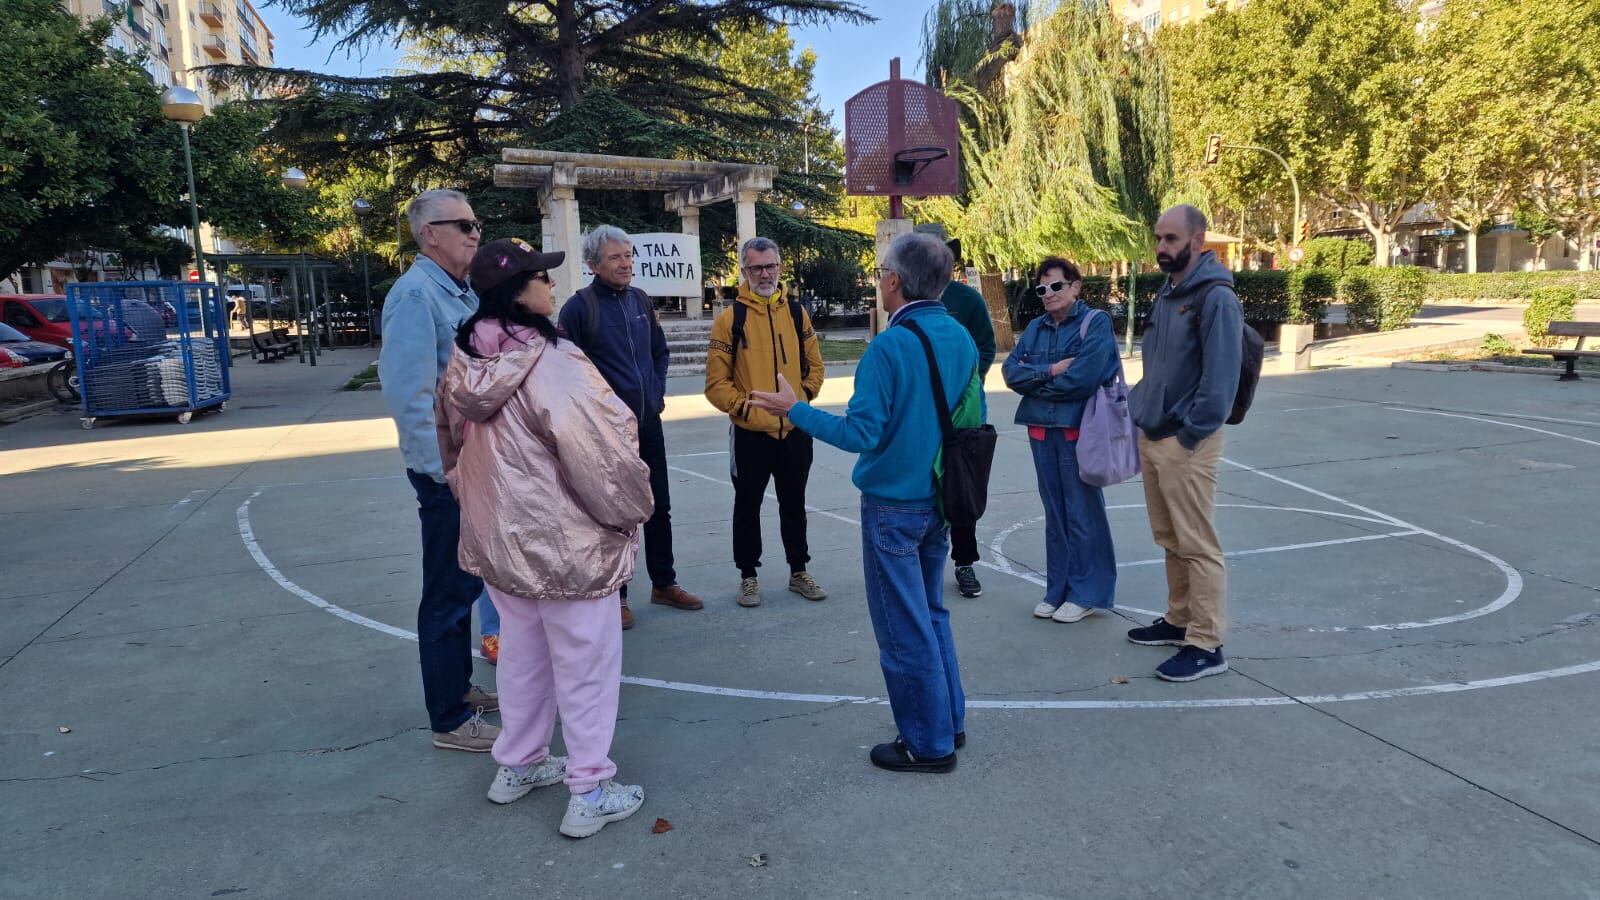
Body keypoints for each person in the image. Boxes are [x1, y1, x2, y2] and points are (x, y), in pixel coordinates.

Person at [437, 238, 653, 839]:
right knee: (587, 664)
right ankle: (590, 789)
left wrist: (474, 501)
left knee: (523, 655)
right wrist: (629, 513)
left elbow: (449, 443)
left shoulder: (464, 357)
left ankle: (519, 762)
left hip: (500, 536)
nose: (552, 286)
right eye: (541, 277)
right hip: (567, 541)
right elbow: (601, 451)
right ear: (517, 291)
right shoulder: (553, 360)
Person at [750, 232, 978, 774]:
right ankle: (948, 720)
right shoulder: (961, 337)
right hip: (940, 498)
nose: (879, 281)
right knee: (931, 613)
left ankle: (928, 743)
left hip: (894, 505)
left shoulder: (888, 347)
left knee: (903, 628)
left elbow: (860, 433)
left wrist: (795, 409)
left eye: (880, 273)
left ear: (894, 280)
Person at [378, 188, 500, 752]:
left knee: (467, 583)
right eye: (464, 226)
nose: (475, 234)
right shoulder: (415, 296)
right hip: (447, 473)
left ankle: (459, 686)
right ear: (429, 234)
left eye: (476, 225)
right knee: (448, 593)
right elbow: (410, 394)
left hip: (472, 465)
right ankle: (449, 719)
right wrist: (441, 471)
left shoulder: (459, 291)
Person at [557, 225, 702, 630]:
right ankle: (616, 596)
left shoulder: (640, 299)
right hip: (607, 433)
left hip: (648, 423)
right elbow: (568, 371)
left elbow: (660, 352)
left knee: (659, 506)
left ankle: (664, 583)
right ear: (593, 265)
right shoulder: (579, 308)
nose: (625, 264)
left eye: (628, 256)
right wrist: (598, 415)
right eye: (615, 257)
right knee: (616, 515)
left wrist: (656, 393)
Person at [1126, 204, 1242, 682]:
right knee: (1170, 537)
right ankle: (1179, 620)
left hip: (1187, 440)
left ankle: (1207, 643)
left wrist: (1191, 434)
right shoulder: (1170, 291)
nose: (1161, 247)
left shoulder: (1215, 298)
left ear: (1198, 240)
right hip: (1156, 433)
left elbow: (1221, 380)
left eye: (1171, 239)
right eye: (1158, 238)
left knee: (1197, 543)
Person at [704, 237, 827, 608]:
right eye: (756, 267)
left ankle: (799, 571)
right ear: (744, 271)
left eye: (770, 266)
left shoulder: (797, 314)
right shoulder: (730, 321)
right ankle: (748, 576)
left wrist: (801, 400)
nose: (764, 274)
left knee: (794, 505)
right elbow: (716, 384)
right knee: (747, 507)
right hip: (750, 434)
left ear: (779, 268)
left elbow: (815, 366)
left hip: (795, 430)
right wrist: (746, 410)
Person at [1001, 258, 1120, 624]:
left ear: (1075, 287)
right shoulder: (1035, 328)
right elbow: (1010, 373)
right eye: (1042, 288)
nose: (1048, 294)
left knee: (1082, 512)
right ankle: (1058, 589)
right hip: (1042, 432)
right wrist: (1051, 370)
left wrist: (1035, 385)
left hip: (1079, 432)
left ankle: (1087, 593)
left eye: (1056, 286)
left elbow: (1083, 380)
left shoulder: (1095, 323)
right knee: (1055, 515)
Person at [938, 242, 996, 598]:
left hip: (966, 413)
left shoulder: (968, 300)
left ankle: (964, 562)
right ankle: (926, 560)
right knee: (928, 488)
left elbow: (987, 346)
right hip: (927, 412)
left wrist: (970, 383)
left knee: (962, 487)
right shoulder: (908, 299)